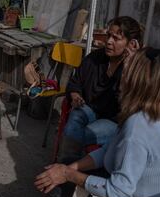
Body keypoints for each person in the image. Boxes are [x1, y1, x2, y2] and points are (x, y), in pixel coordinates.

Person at [35, 47, 160, 197]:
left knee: (54, 191)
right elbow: (110, 150)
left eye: (128, 69)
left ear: (138, 80)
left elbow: (118, 191)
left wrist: (67, 174)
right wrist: (69, 168)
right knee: (58, 175)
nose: (122, 74)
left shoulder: (138, 125)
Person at [60, 16, 143, 162]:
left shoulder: (138, 69)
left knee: (80, 134)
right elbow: (75, 82)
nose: (109, 41)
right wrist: (75, 95)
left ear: (131, 44)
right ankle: (66, 171)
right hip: (91, 109)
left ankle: (68, 171)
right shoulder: (95, 58)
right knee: (75, 119)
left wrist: (130, 66)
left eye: (116, 38)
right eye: (108, 35)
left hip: (115, 121)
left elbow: (131, 102)